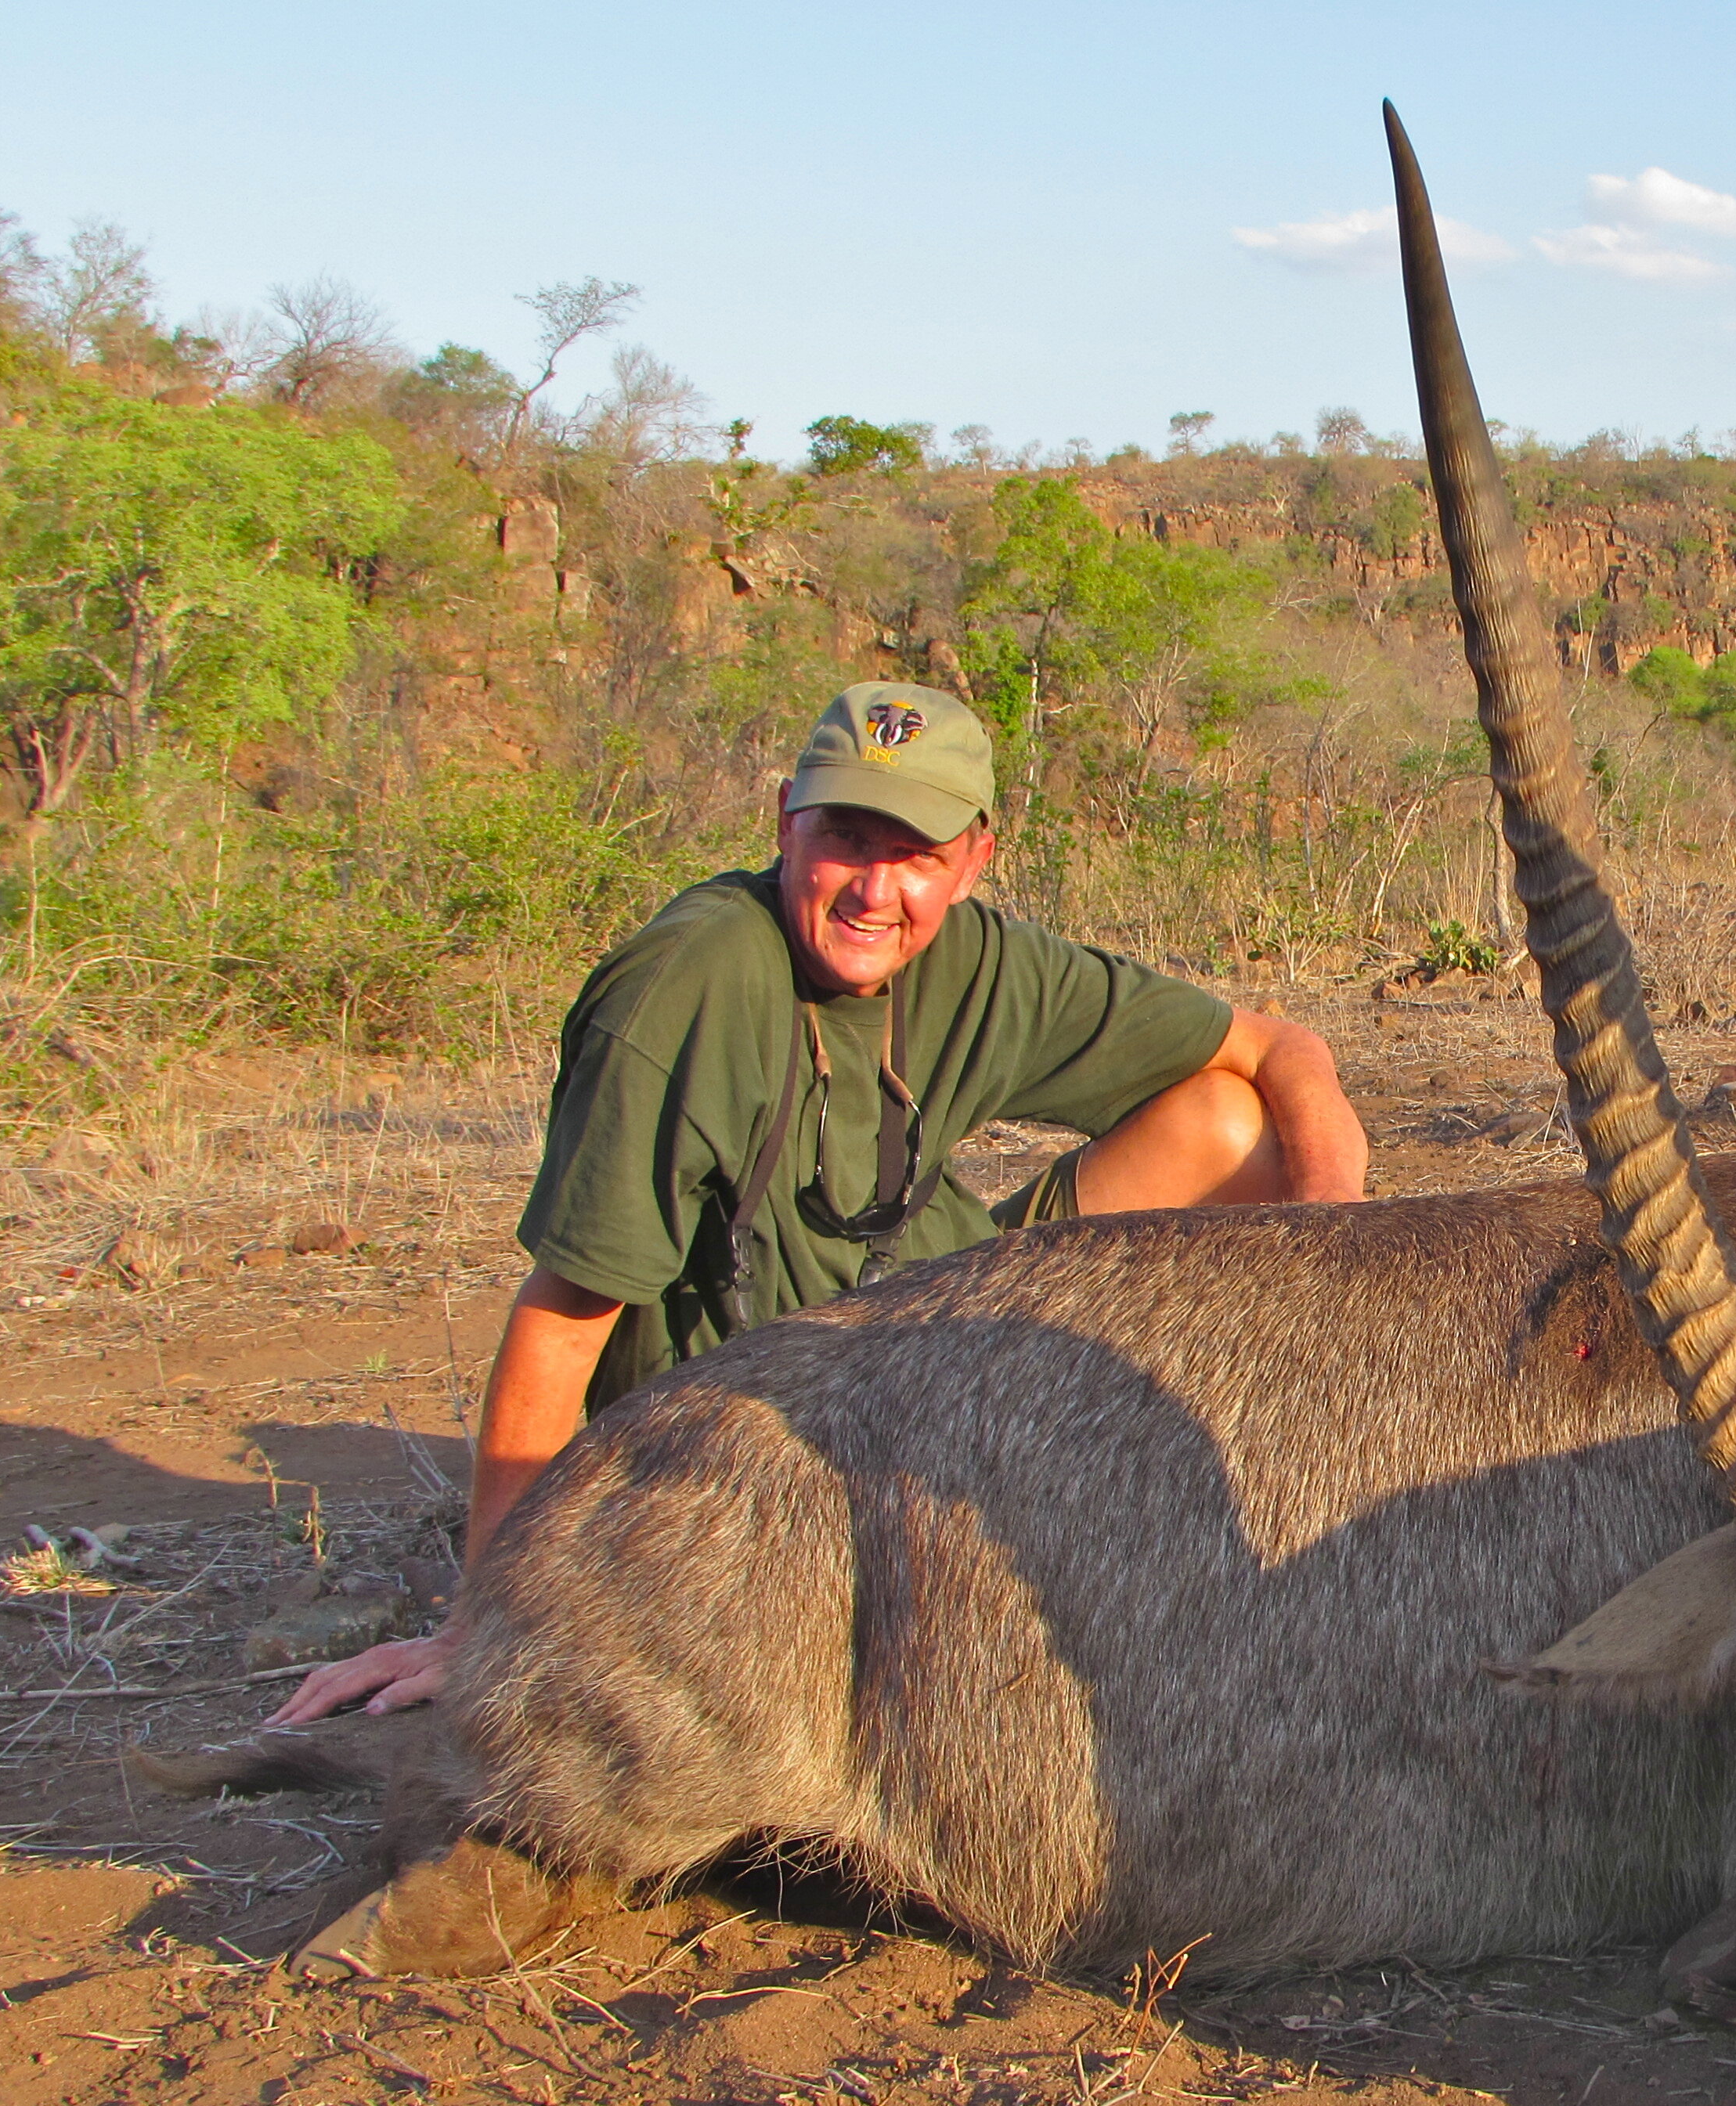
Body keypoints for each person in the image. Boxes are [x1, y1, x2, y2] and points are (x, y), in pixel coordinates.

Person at [271, 682, 1367, 1725]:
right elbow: (564, 1316)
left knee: (1236, 1123)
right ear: (784, 824)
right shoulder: (687, 990)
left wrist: (1327, 1253)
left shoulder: (982, 965)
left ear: (976, 858)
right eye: (846, 837)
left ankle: (1149, 1487)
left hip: (932, 1333)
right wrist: (488, 1627)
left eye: (916, 854)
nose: (874, 889)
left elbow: (1280, 1046)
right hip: (752, 1423)